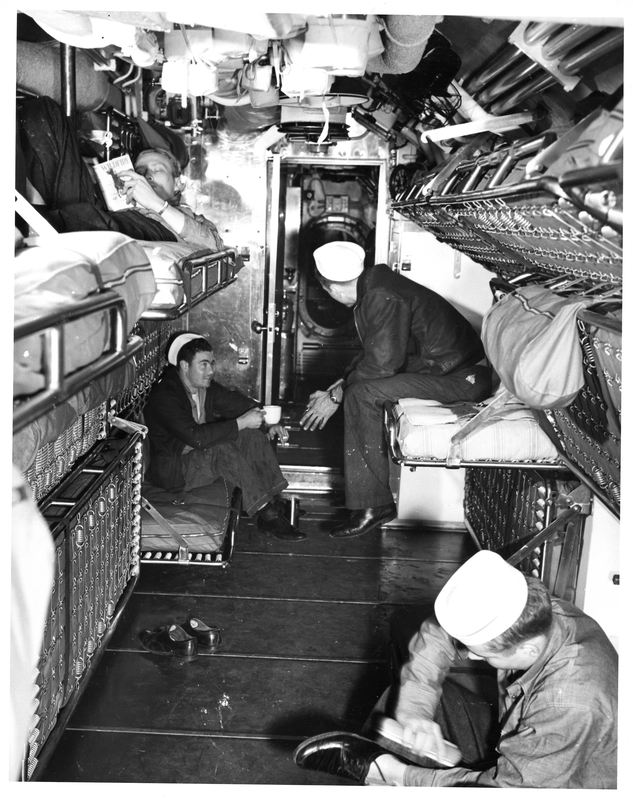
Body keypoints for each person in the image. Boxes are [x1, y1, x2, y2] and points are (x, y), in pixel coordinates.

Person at [293, 550, 618, 788]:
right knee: (404, 703)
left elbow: (512, 790)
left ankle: (376, 772)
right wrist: (415, 713)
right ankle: (372, 771)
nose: (469, 657)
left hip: (558, 784)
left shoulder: (571, 701)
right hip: (522, 741)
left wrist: (400, 774)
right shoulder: (538, 609)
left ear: (527, 649)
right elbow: (441, 633)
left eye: (481, 654)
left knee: (399, 773)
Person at [300, 241, 492, 538]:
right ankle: (371, 503)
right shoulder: (375, 286)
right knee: (356, 389)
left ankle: (374, 505)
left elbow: (381, 366)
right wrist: (336, 387)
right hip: (449, 370)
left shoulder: (379, 295)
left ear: (332, 289)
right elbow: (375, 358)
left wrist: (336, 396)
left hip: (463, 378)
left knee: (361, 395)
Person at [143, 332, 306, 542]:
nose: (211, 370)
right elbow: (197, 438)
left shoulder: (203, 388)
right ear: (184, 366)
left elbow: (237, 404)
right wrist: (241, 422)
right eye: (203, 365)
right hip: (177, 470)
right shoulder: (166, 395)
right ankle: (267, 514)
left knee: (251, 435)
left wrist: (268, 423)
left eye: (211, 363)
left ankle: (273, 497)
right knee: (222, 448)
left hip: (198, 457)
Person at [17, 95, 223, 251]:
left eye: (158, 169)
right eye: (140, 171)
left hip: (153, 229)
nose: (146, 175)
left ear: (178, 184)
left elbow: (213, 245)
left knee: (91, 220)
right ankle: (38, 220)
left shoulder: (190, 220)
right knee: (44, 112)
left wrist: (155, 204)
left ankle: (35, 222)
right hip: (99, 212)